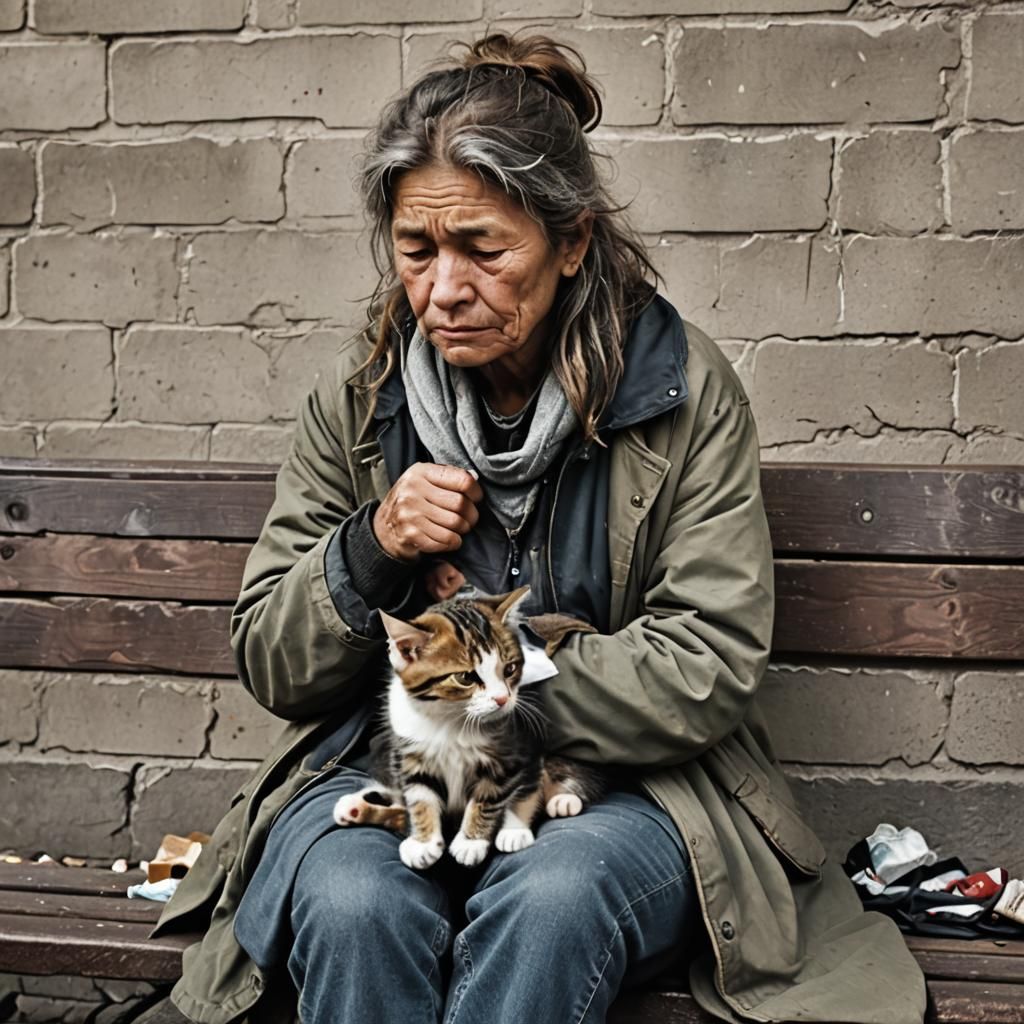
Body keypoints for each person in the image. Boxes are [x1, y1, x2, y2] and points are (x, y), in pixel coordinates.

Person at [151, 32, 927, 1024]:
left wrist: (501, 673)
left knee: (552, 899)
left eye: (483, 248)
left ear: (571, 241)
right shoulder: (360, 395)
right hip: (391, 774)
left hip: (621, 792)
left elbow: (706, 661)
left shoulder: (680, 391)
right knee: (349, 902)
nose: (442, 288)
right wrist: (370, 547)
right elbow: (270, 654)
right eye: (416, 250)